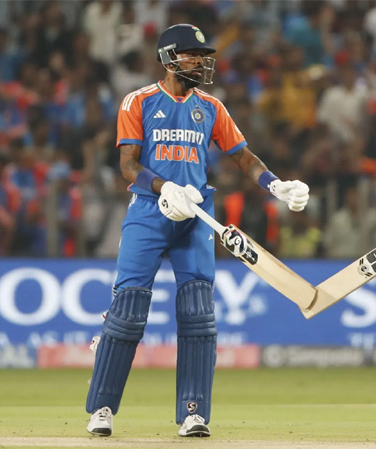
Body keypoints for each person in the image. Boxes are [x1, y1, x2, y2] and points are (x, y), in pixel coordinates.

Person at [85, 24, 310, 438]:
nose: (202, 63)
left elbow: (244, 158)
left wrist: (276, 185)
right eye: (193, 55)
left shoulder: (211, 107)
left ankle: (193, 413)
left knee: (198, 314)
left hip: (196, 214)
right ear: (168, 58)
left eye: (204, 56)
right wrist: (163, 187)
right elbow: (128, 165)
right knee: (129, 312)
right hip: (150, 210)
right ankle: (101, 408)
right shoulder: (138, 101)